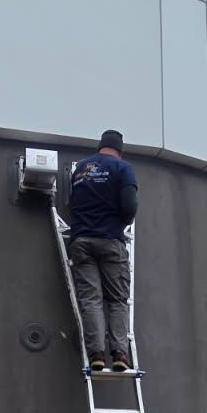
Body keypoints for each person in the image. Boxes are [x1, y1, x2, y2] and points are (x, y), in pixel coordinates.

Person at [67, 129, 139, 372]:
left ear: (100, 147)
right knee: (117, 299)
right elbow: (130, 206)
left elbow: (71, 202)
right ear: (120, 149)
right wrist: (121, 220)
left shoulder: (81, 170)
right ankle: (119, 353)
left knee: (91, 299)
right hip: (110, 241)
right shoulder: (122, 168)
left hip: (81, 242)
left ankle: (96, 354)